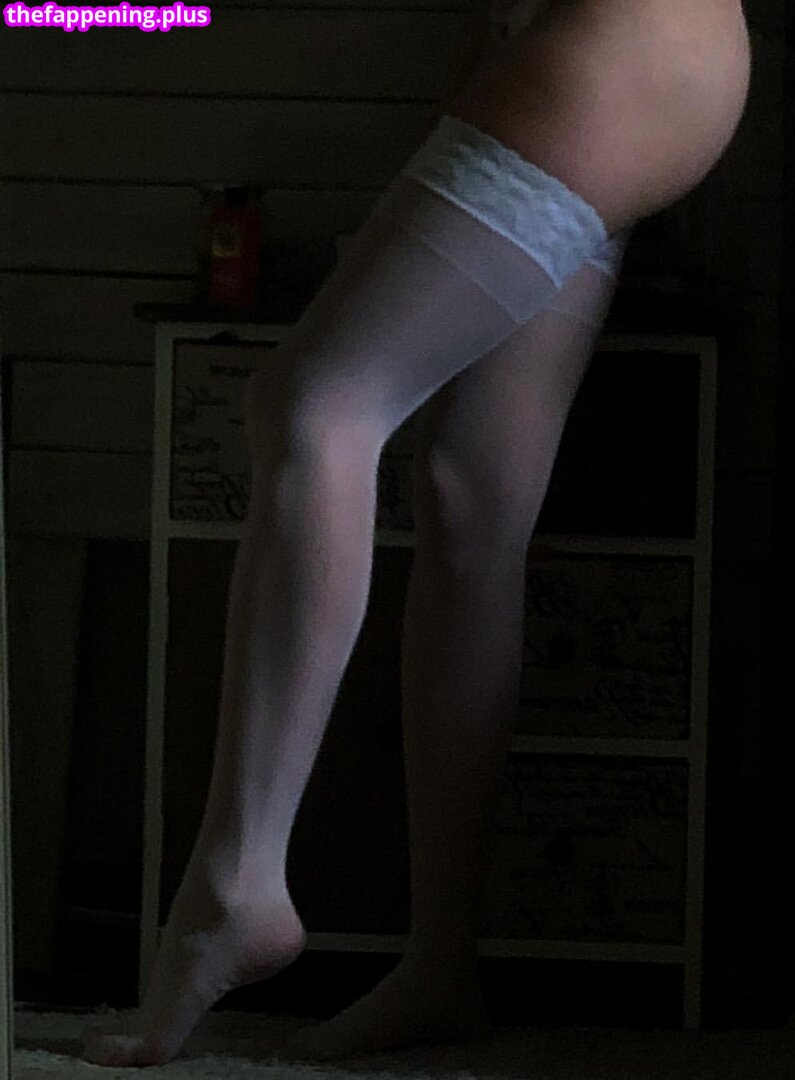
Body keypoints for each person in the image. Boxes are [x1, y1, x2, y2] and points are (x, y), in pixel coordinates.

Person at [82, 0, 752, 1066]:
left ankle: (240, 879)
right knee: (471, 501)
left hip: (617, 40)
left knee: (312, 408)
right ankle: (441, 967)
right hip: (598, 48)